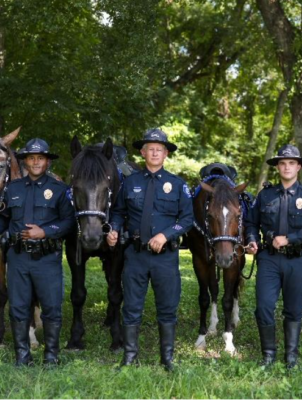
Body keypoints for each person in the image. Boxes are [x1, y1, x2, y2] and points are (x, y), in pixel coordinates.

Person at [106, 128, 194, 371]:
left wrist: (166, 234)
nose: (154, 152)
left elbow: (187, 219)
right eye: (150, 148)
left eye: (159, 149)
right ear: (143, 152)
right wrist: (113, 229)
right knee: (132, 307)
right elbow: (118, 213)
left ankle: (167, 360)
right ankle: (129, 358)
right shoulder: (130, 182)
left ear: (165, 153)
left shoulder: (177, 185)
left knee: (167, 308)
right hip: (135, 255)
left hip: (165, 257)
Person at [0, 138, 74, 367]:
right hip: (18, 257)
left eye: (40, 158)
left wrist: (45, 231)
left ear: (47, 162)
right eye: (31, 158)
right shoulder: (11, 189)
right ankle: (22, 357)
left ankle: (51, 357)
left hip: (47, 258)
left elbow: (69, 222)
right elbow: (4, 218)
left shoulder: (60, 190)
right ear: (25, 162)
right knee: (18, 308)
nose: (35, 162)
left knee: (51, 308)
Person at [244, 144, 302, 369]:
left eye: (292, 163)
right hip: (269, 259)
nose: (287, 167)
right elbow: (251, 222)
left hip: (298, 260)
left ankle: (291, 357)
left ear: (298, 167)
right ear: (278, 167)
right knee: (263, 306)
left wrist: (290, 239)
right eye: (283, 163)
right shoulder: (265, 195)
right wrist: (252, 240)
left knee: (293, 308)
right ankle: (268, 356)